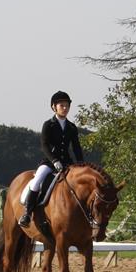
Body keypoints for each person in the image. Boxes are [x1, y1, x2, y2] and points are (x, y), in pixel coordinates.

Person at [18, 90, 84, 226]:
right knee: (37, 181)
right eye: (62, 105)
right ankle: (27, 213)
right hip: (49, 162)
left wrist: (81, 164)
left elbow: (76, 148)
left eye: (67, 105)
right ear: (54, 107)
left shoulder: (71, 127)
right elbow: (44, 145)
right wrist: (54, 160)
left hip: (67, 163)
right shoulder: (48, 124)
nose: (65, 108)